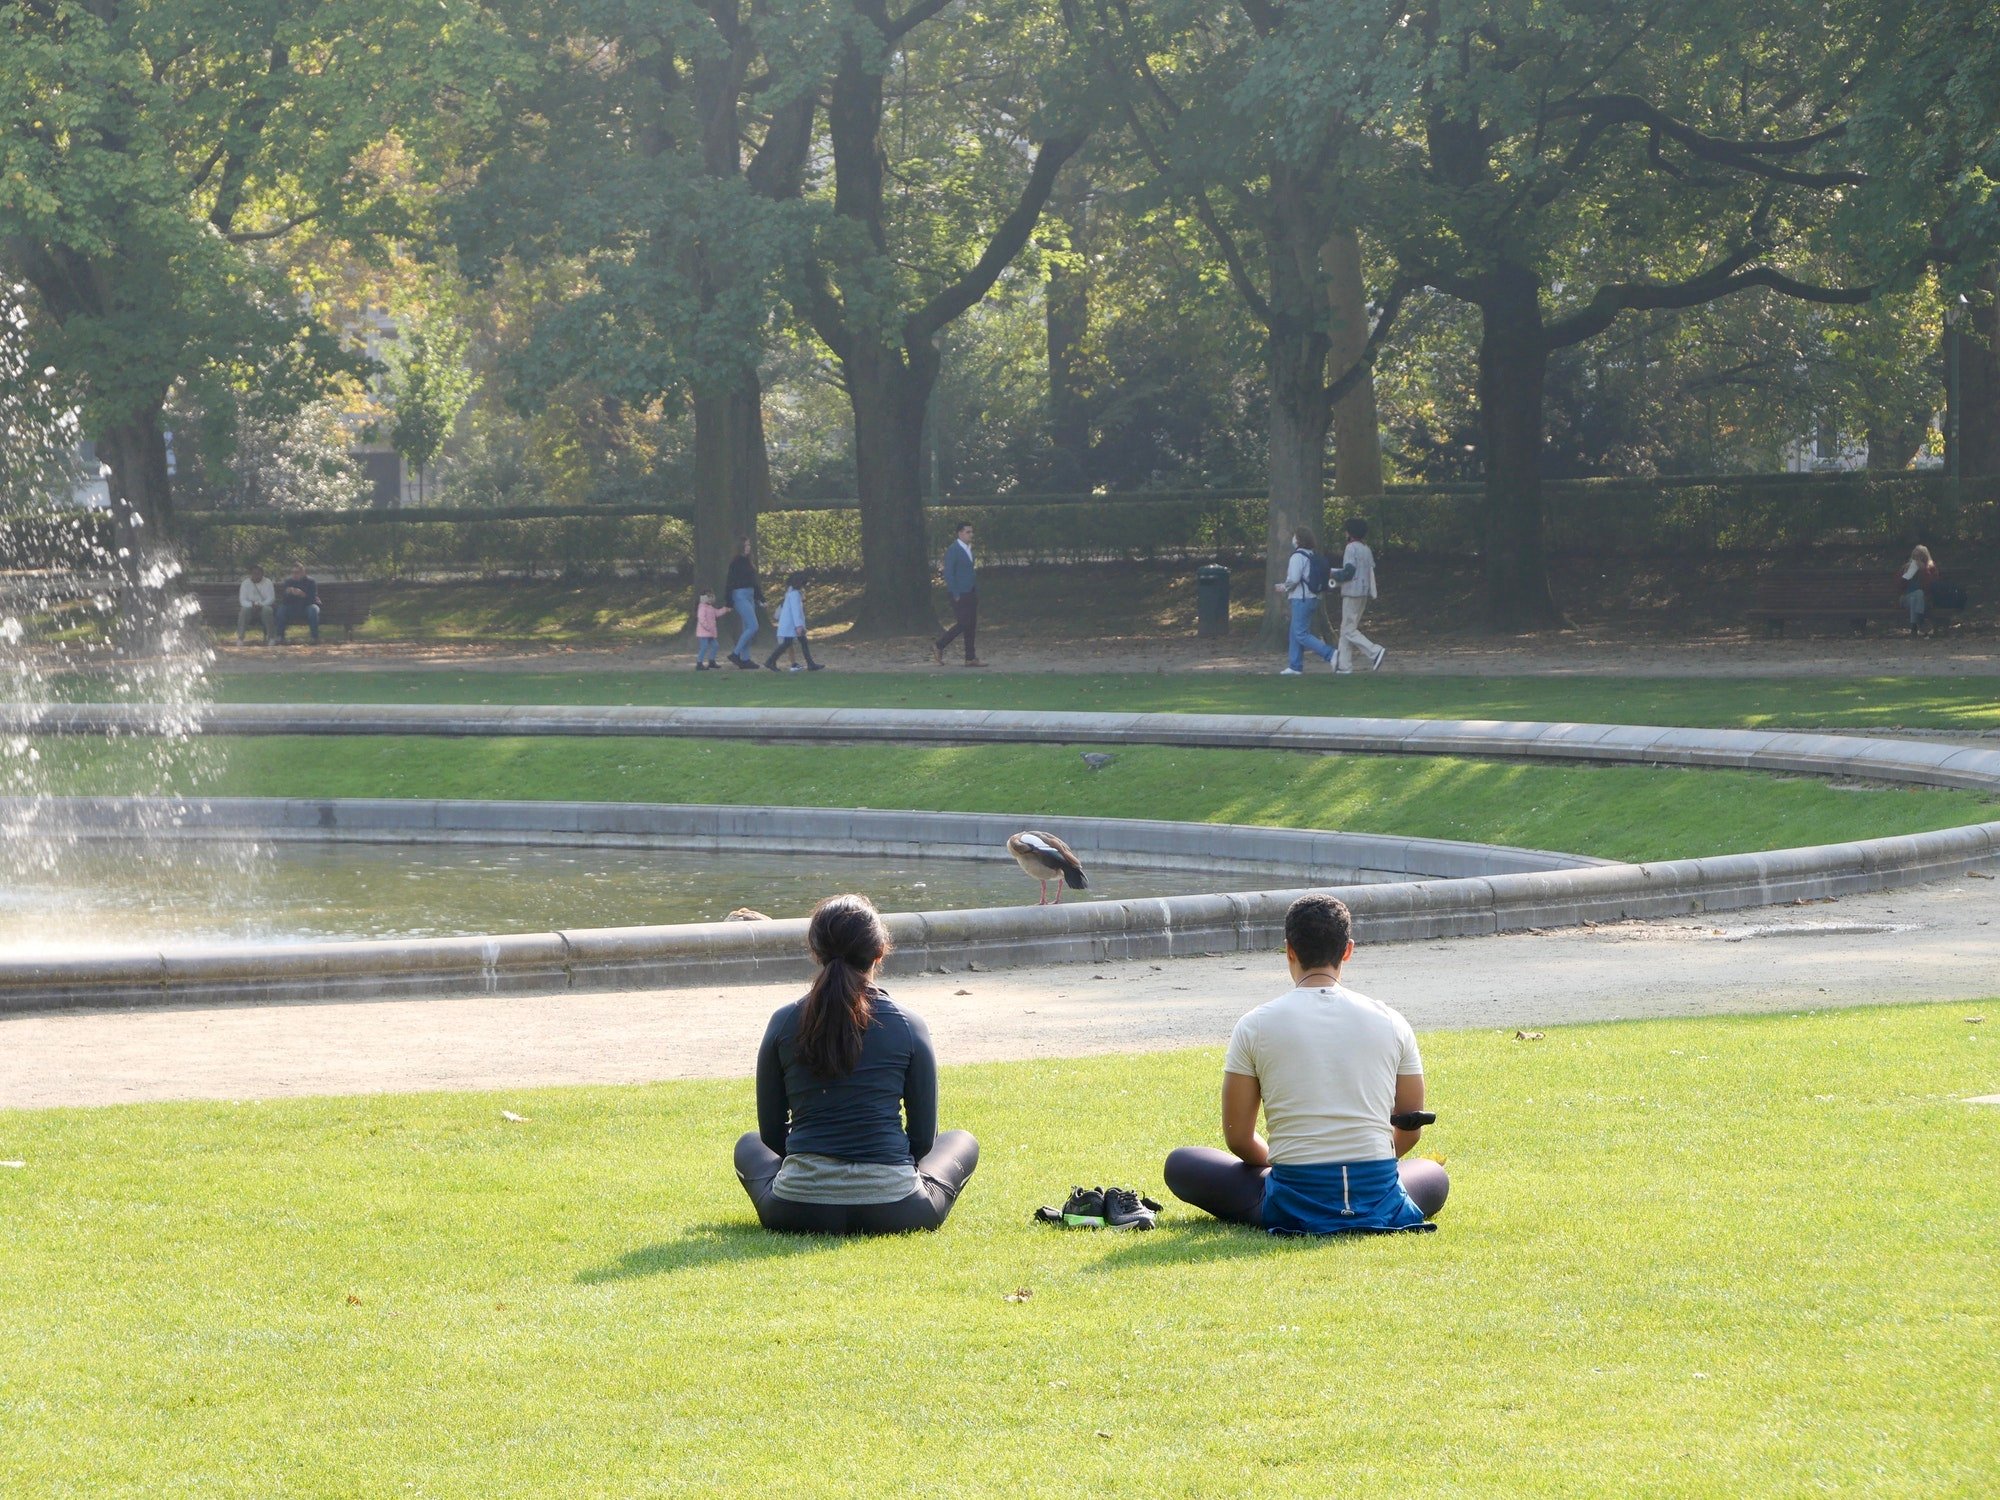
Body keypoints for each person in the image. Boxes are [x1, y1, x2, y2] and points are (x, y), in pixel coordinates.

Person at [1163, 892, 1448, 1235]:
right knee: (1433, 1174)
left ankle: (1302, 1190)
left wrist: (1290, 1163)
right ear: (1347, 950)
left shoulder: (1255, 1024)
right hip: (1377, 1195)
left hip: (1293, 1197)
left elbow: (1237, 1137)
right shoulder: (1392, 1021)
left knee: (1181, 1164)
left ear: (1289, 951)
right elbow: (1410, 1126)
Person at [735, 894, 980, 1234]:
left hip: (796, 1209)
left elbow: (772, 1135)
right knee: (960, 1141)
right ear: (879, 953)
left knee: (748, 1145)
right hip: (897, 1208)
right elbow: (924, 1140)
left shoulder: (784, 1021)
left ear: (815, 951)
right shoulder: (908, 1024)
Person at [1273, 526, 1335, 676]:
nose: (1292, 539)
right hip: (1312, 597)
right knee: (1295, 632)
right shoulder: (1311, 554)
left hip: (1301, 598)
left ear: (1298, 539)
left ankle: (1331, 654)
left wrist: (1284, 587)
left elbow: (1294, 579)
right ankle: (1295, 666)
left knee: (1300, 633)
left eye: (1294, 536)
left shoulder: (1297, 556)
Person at [1332, 516, 1385, 673]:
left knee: (1348, 630)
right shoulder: (1366, 548)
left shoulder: (1351, 548)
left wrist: (1332, 575)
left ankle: (1375, 651)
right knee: (1346, 628)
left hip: (1351, 591)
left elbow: (1349, 571)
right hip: (1363, 591)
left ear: (1350, 532)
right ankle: (1343, 666)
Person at [934, 522, 983, 667]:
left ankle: (970, 657)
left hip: (970, 591)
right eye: (968, 532)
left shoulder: (968, 549)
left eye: (971, 532)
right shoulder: (954, 550)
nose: (971, 534)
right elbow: (949, 574)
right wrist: (955, 592)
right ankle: (939, 645)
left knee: (971, 624)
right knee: (964, 623)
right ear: (960, 533)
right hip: (960, 592)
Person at [764, 572, 825, 672]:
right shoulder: (795, 594)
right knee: (788, 644)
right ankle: (770, 661)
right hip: (791, 625)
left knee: (799, 642)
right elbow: (796, 611)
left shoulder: (791, 593)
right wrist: (799, 626)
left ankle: (810, 663)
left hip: (791, 624)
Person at [724, 537, 765, 669]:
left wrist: (760, 598)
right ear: (741, 546)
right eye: (746, 545)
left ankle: (745, 659)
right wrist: (729, 602)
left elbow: (754, 582)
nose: (749, 547)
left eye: (749, 544)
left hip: (750, 595)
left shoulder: (748, 562)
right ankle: (735, 654)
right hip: (740, 595)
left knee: (747, 627)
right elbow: (729, 583)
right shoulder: (735, 563)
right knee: (753, 626)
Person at [275, 563, 321, 645]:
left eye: (297, 572)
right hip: (292, 608)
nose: (295, 574)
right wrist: (288, 593)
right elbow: (284, 601)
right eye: (293, 572)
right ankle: (280, 637)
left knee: (313, 609)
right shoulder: (288, 582)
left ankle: (314, 637)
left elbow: (313, 599)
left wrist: (302, 594)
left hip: (306, 607)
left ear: (303, 572)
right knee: (281, 610)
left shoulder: (311, 582)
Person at [1900, 544, 1940, 636]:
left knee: (1917, 596)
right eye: (1914, 556)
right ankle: (1920, 621)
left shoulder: (1930, 568)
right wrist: (1905, 574)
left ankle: (1914, 627)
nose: (1916, 559)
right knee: (1916, 595)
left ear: (1924, 557)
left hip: (1925, 600)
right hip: (1906, 598)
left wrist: (1924, 570)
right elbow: (1899, 586)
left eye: (1919, 557)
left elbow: (1932, 585)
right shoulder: (1906, 566)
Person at [236, 565, 276, 645]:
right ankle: (240, 638)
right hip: (250, 607)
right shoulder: (245, 583)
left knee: (268, 610)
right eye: (254, 574)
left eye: (258, 573)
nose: (256, 576)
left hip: (263, 607)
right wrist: (252, 605)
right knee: (244, 611)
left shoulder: (268, 582)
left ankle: (271, 638)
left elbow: (271, 598)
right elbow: (242, 600)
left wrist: (260, 604)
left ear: (262, 574)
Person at [693, 590, 732, 670]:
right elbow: (701, 619)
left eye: (712, 597)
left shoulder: (710, 607)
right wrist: (707, 627)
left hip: (710, 633)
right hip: (704, 633)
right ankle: (699, 663)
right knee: (704, 647)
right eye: (709, 597)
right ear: (703, 598)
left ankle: (711, 661)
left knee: (715, 646)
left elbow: (717, 613)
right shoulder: (702, 607)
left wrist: (725, 609)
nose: (711, 599)